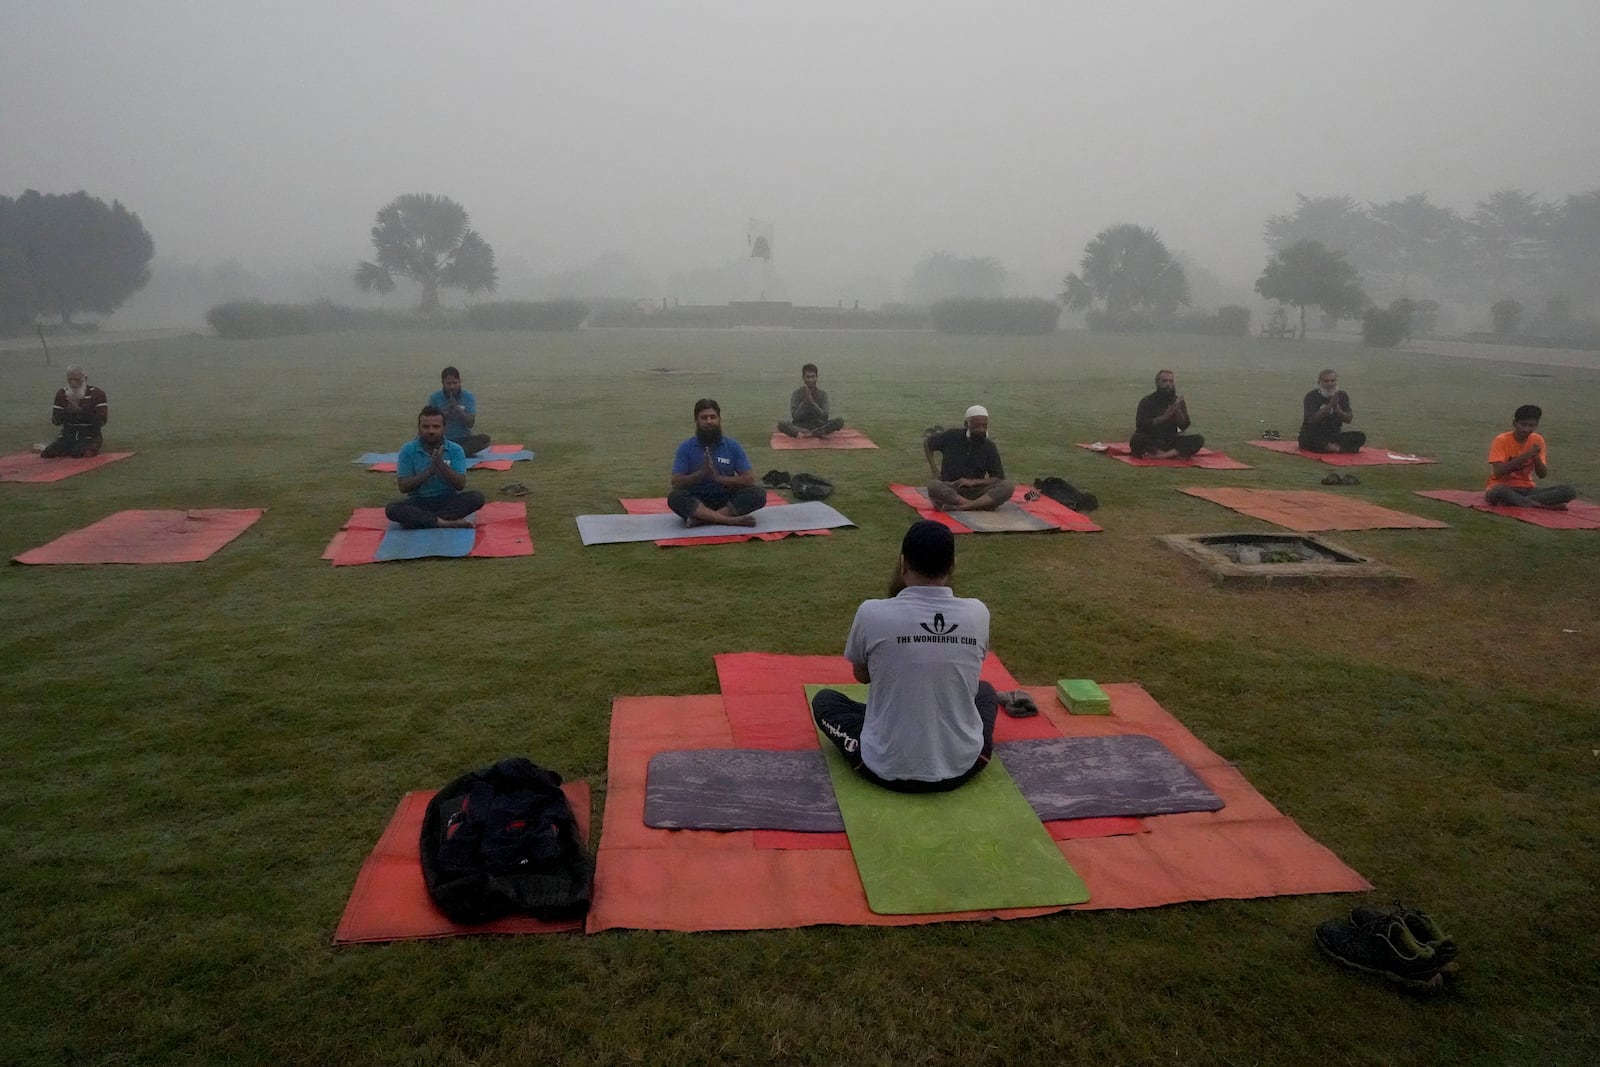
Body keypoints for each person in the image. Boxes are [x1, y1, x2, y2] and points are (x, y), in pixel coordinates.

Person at [810, 520, 999, 793]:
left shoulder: (872, 612)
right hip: (964, 765)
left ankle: (896, 724)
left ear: (902, 563)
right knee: (985, 691)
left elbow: (862, 676)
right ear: (953, 564)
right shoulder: (977, 613)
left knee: (826, 701)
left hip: (883, 767)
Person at [668, 398, 767, 527]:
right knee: (675, 497)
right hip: (698, 500)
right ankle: (729, 520)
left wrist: (718, 478)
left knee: (757, 494)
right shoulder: (685, 448)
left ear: (719, 419)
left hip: (726, 499)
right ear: (696, 421)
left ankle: (703, 519)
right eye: (704, 418)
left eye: (712, 417)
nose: (709, 421)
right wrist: (701, 473)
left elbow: (749, 479)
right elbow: (676, 483)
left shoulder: (732, 446)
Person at [384, 406, 486, 529]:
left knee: (476, 497)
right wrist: (430, 470)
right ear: (419, 428)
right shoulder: (408, 450)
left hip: (447, 499)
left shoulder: (455, 449)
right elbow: (403, 486)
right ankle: (443, 522)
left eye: (436, 427)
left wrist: (441, 465)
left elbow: (460, 485)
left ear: (444, 428)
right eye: (426, 427)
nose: (431, 431)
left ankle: (425, 520)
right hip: (419, 500)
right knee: (392, 509)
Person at [1484, 404, 1577, 509]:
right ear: (1515, 423)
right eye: (1523, 425)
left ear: (1536, 425)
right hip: (1502, 487)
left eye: (1531, 425)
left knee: (1568, 491)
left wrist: (1536, 457)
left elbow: (1542, 474)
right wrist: (1526, 455)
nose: (1527, 429)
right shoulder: (1501, 440)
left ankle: (1524, 502)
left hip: (1527, 490)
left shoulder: (1537, 440)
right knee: (1498, 491)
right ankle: (1544, 506)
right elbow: (1498, 472)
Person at [923, 405, 1014, 511]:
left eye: (984, 426)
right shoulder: (951, 436)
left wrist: (973, 482)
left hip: (978, 490)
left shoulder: (989, 446)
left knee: (1008, 486)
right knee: (933, 485)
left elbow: (998, 478)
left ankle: (963, 507)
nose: (981, 429)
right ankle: (978, 505)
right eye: (977, 426)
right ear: (966, 424)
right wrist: (934, 470)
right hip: (952, 487)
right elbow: (928, 443)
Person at [1129, 369, 1204, 458]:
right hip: (1152, 440)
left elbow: (1184, 426)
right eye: (1164, 381)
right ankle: (1167, 454)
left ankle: (1161, 456)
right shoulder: (1147, 401)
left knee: (1198, 439)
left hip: (1170, 439)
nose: (1168, 384)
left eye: (1171, 381)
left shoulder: (1177, 401)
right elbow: (1141, 425)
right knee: (1136, 439)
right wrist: (1164, 417)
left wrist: (1178, 412)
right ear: (1157, 383)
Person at [42, 365, 109, 458]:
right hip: (68, 435)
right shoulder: (61, 394)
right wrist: (67, 411)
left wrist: (80, 411)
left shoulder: (97, 394)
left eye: (77, 380)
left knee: (78, 453)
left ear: (85, 378)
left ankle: (86, 447)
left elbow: (102, 420)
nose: (73, 383)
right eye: (70, 380)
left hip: (89, 435)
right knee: (47, 453)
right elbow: (56, 421)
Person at [1298, 369, 1367, 454]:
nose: (1330, 384)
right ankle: (1337, 448)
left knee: (1360, 436)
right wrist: (1329, 406)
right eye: (1326, 381)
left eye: (1332, 381)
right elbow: (1311, 419)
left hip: (1333, 435)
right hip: (1314, 434)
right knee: (1310, 438)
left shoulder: (1342, 396)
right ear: (1319, 382)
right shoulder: (1311, 396)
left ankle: (1331, 447)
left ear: (1336, 382)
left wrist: (1338, 410)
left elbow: (1349, 419)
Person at [427, 366, 490, 457]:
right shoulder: (435, 398)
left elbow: (470, 423)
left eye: (455, 383)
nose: (452, 387)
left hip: (464, 439)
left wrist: (458, 409)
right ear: (443, 383)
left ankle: (453, 453)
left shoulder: (468, 397)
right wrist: (446, 411)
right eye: (448, 383)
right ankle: (456, 453)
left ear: (460, 382)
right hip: (442, 439)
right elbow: (430, 422)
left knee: (485, 439)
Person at [777, 362, 845, 438]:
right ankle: (813, 433)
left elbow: (824, 416)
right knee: (781, 424)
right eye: (808, 377)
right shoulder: (796, 394)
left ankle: (812, 433)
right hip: (800, 426)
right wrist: (805, 402)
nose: (810, 380)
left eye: (813, 377)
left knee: (839, 421)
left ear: (817, 377)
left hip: (819, 425)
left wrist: (812, 403)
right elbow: (795, 417)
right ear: (803, 378)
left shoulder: (822, 394)